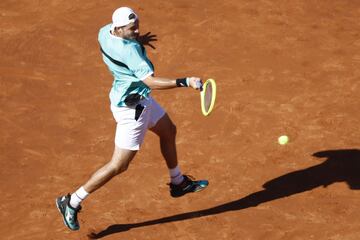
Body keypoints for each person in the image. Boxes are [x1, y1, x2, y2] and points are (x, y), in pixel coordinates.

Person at [56, 7, 209, 231]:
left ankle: (178, 183)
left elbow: (123, 46)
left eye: (137, 25)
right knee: (119, 165)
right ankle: (72, 201)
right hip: (133, 110)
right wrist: (185, 81)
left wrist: (136, 40)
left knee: (168, 130)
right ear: (118, 28)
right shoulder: (130, 53)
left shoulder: (104, 32)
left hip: (132, 98)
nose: (137, 30)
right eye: (132, 28)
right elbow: (152, 82)